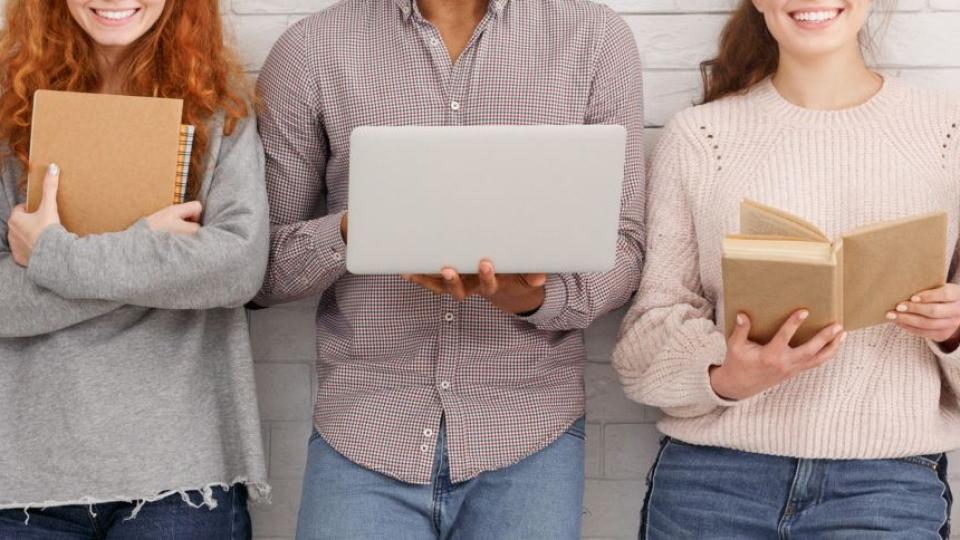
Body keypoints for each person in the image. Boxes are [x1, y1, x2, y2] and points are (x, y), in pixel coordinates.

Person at [253, 0, 645, 537]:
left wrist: (526, 295)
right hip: (365, 429)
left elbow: (623, 248)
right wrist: (356, 228)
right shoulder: (311, 48)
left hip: (530, 434)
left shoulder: (595, 37)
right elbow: (263, 270)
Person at [614, 0, 958, 537]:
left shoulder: (946, 134)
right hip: (713, 483)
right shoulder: (701, 138)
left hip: (885, 487)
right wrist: (725, 377)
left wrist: (954, 330)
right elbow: (644, 338)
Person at [0, 1, 269, 538]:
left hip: (182, 471)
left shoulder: (220, 108)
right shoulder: (8, 115)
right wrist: (155, 254)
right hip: (27, 477)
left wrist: (52, 254)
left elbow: (236, 268)